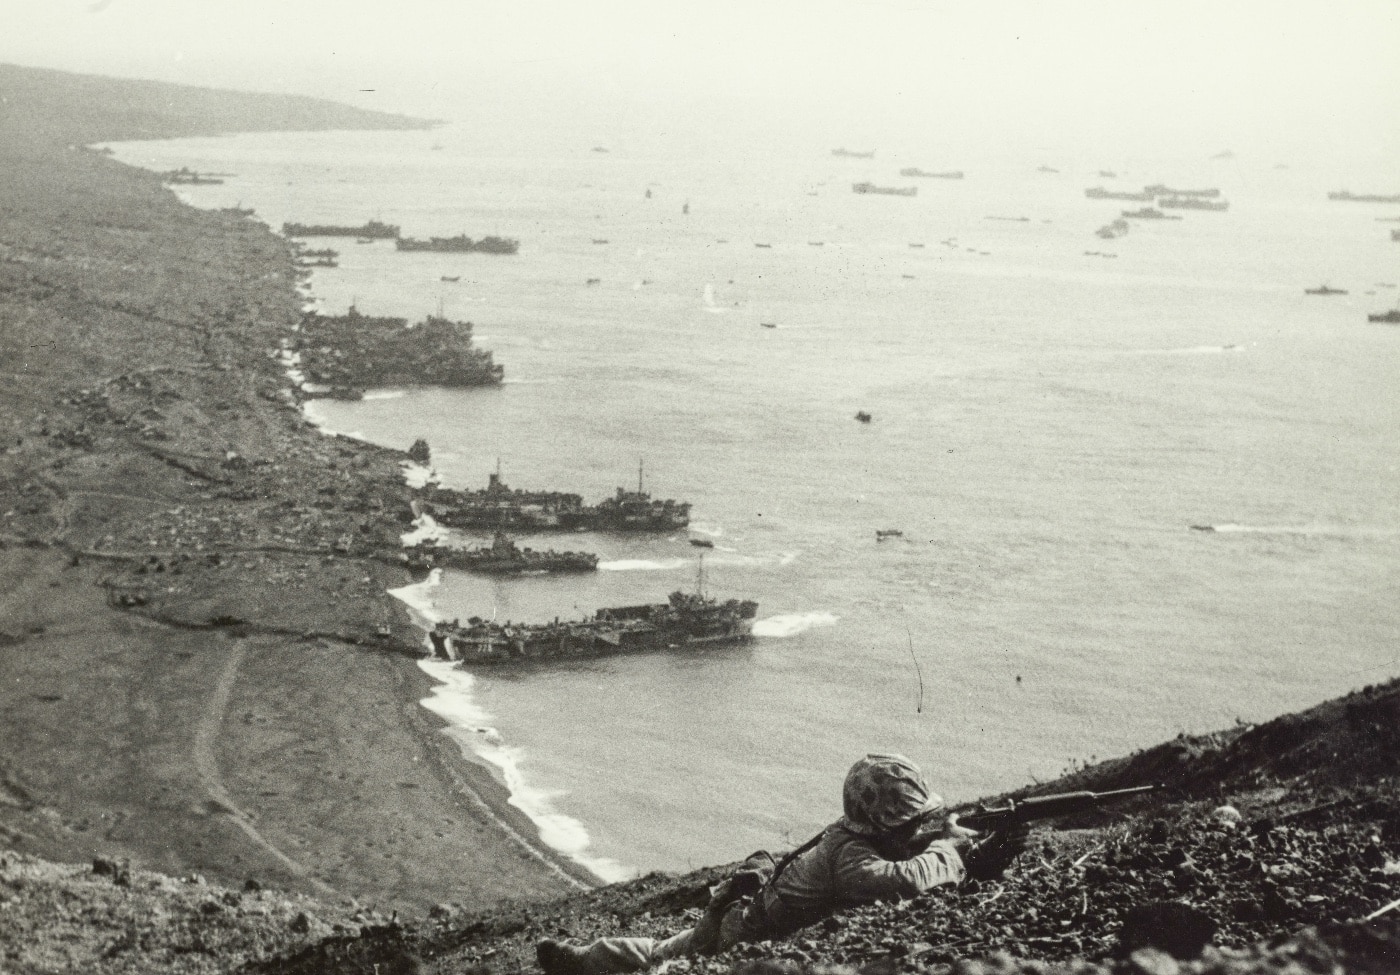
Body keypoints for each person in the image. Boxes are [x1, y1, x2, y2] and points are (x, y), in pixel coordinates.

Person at [536, 754, 1030, 975]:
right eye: (907, 821)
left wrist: (981, 849)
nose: (912, 829)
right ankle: (580, 961)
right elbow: (899, 882)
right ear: (880, 820)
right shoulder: (852, 856)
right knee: (664, 955)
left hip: (743, 913)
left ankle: (583, 959)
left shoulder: (852, 837)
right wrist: (949, 847)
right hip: (740, 930)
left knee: (659, 948)